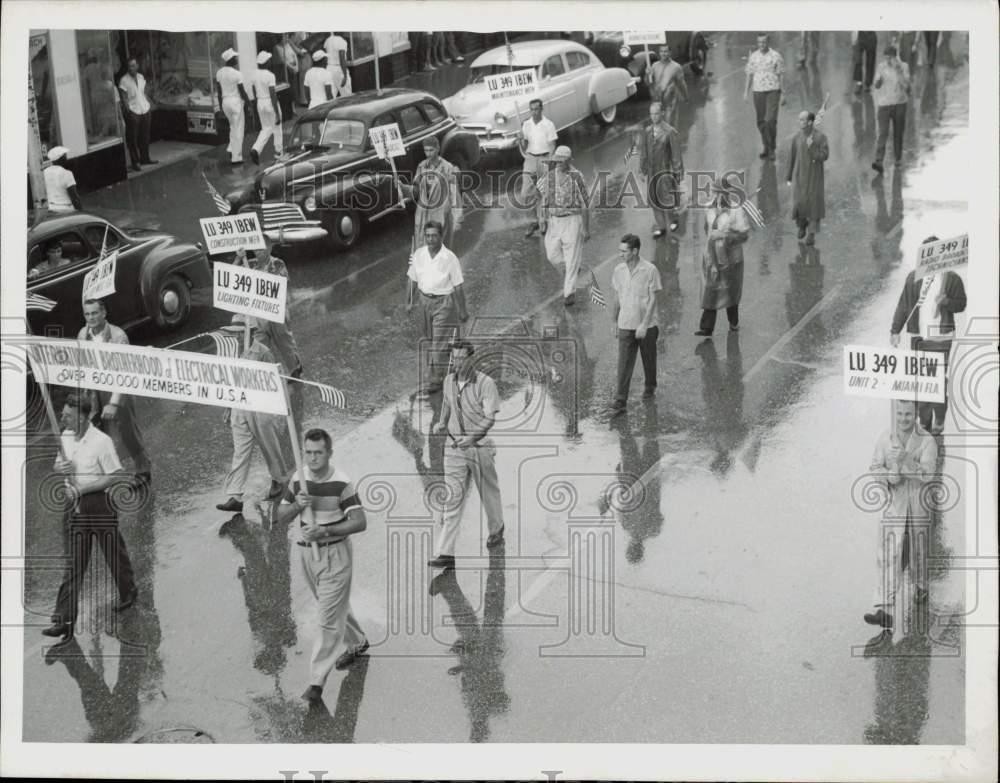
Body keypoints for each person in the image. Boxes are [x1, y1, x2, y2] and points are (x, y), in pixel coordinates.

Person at [275, 428, 369, 703]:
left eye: (318, 453)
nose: (312, 458)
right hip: (307, 554)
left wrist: (325, 531)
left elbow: (360, 522)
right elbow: (281, 516)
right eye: (308, 452)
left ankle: (316, 682)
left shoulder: (341, 483)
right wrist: (297, 505)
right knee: (333, 606)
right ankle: (358, 641)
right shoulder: (299, 479)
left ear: (329, 453)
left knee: (327, 619)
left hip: (335, 554)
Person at [41, 393, 138, 642]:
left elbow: (114, 475)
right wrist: (60, 468)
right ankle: (63, 620)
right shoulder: (65, 437)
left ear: (84, 418)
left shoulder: (101, 441)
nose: (63, 420)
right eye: (63, 415)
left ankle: (128, 591)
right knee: (74, 563)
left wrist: (83, 490)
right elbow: (58, 464)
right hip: (73, 506)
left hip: (98, 503)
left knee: (113, 552)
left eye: (69, 416)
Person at [863, 399, 937, 651]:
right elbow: (875, 466)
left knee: (916, 554)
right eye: (900, 414)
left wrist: (906, 461)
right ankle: (884, 610)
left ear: (916, 414)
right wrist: (888, 476)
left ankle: (921, 586)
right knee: (888, 556)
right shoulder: (886, 438)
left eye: (908, 414)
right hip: (895, 508)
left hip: (917, 509)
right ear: (895, 414)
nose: (904, 419)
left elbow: (928, 474)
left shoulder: (927, 441)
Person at [429, 340, 505, 568]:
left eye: (462, 358)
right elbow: (447, 403)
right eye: (455, 359)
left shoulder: (486, 383)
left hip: (479, 446)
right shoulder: (449, 381)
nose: (458, 363)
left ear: (472, 358)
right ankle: (446, 553)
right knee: (452, 497)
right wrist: (442, 422)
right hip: (454, 447)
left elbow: (490, 418)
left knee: (488, 493)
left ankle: (497, 528)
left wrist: (471, 438)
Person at [889, 236, 967, 434]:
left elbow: (961, 304)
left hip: (941, 337)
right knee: (922, 381)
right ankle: (925, 422)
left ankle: (939, 416)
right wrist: (895, 330)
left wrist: (946, 301)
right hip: (918, 337)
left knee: (936, 380)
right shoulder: (913, 278)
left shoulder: (951, 278)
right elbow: (903, 305)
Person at [216, 331, 294, 512]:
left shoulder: (263, 352)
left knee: (269, 446)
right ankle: (235, 495)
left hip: (260, 406)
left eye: (239, 332)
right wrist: (228, 406)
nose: (235, 336)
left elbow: (274, 380)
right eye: (233, 332)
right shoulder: (231, 351)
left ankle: (279, 480)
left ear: (249, 333)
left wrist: (277, 408)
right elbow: (229, 380)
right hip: (239, 404)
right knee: (240, 451)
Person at [79, 299, 152, 483]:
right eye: (87, 314)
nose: (91, 318)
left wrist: (114, 402)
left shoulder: (118, 336)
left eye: (94, 313)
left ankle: (143, 470)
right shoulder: (82, 334)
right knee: (95, 430)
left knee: (127, 431)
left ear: (104, 313)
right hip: (95, 389)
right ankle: (102, 476)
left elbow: (125, 372)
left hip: (117, 388)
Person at [406, 221, 469, 397]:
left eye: (434, 235)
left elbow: (458, 286)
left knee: (438, 343)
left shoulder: (450, 258)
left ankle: (436, 379)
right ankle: (453, 361)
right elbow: (412, 279)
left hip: (444, 303)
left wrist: (462, 310)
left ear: (441, 236)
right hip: (424, 302)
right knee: (429, 339)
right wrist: (408, 301)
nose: (430, 239)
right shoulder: (419, 255)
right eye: (427, 236)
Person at [611, 234, 662, 412]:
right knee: (624, 363)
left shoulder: (650, 270)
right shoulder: (618, 270)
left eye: (624, 251)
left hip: (647, 326)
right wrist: (614, 321)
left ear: (635, 251)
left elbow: (653, 299)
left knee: (649, 360)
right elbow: (617, 297)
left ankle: (650, 386)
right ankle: (620, 400)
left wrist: (644, 324)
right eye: (620, 250)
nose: (620, 254)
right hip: (625, 323)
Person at [536, 145, 591, 306]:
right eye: (556, 160)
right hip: (554, 221)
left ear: (568, 160)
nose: (558, 163)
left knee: (572, 257)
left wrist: (586, 228)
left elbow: (585, 204)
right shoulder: (549, 176)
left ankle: (569, 293)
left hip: (572, 220)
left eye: (561, 160)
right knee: (552, 256)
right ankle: (572, 269)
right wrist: (541, 217)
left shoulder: (577, 177)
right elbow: (541, 196)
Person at [696, 177, 750, 337]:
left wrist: (725, 236)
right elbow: (706, 228)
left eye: (719, 192)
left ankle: (733, 322)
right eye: (715, 192)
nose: (716, 195)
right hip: (712, 255)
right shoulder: (708, 208)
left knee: (730, 290)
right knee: (710, 288)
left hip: (731, 257)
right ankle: (707, 327)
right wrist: (712, 243)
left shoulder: (736, 211)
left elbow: (744, 235)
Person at [636, 101, 683, 238]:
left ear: (662, 113)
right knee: (654, 199)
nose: (654, 117)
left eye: (656, 113)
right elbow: (644, 152)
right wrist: (642, 170)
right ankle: (661, 226)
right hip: (652, 171)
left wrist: (678, 172)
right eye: (651, 114)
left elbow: (676, 155)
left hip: (665, 170)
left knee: (667, 198)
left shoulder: (670, 132)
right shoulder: (647, 131)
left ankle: (673, 220)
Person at [786, 110, 829, 245]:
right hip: (800, 176)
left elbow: (824, 156)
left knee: (814, 204)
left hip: (815, 177)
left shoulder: (820, 137)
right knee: (799, 202)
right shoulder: (796, 137)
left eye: (802, 120)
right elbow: (792, 157)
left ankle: (811, 233)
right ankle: (802, 224)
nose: (799, 122)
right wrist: (789, 176)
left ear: (810, 122)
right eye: (799, 119)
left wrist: (813, 148)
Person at [412, 137, 463, 250]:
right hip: (423, 215)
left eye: (431, 150)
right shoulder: (421, 166)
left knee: (440, 250)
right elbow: (416, 189)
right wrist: (402, 187)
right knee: (423, 250)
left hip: (441, 214)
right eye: (426, 150)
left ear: (438, 149)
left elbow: (455, 194)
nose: (428, 154)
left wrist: (458, 217)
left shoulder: (448, 168)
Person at [518, 99, 558, 239]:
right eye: (532, 109)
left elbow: (552, 145)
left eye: (536, 109)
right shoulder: (527, 125)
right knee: (526, 193)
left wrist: (550, 161)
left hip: (544, 157)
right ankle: (534, 220)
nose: (534, 112)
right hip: (530, 158)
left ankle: (542, 221)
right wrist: (521, 139)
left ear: (541, 109)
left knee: (543, 192)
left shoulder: (548, 124)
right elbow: (524, 146)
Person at [743, 33, 785, 161]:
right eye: (759, 42)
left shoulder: (776, 56)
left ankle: (772, 148)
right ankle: (766, 146)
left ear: (768, 42)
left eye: (764, 42)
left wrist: (783, 93)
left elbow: (781, 75)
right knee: (761, 121)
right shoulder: (753, 56)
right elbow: (749, 74)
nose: (761, 45)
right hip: (758, 91)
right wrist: (745, 92)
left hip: (773, 90)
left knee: (770, 120)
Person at [871, 45, 911, 175]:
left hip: (900, 104)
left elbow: (907, 87)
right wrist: (878, 81)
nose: (887, 61)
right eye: (886, 58)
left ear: (895, 57)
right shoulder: (881, 67)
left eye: (890, 58)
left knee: (898, 133)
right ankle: (878, 161)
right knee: (882, 133)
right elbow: (876, 85)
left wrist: (898, 71)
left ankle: (898, 159)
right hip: (884, 105)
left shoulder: (904, 66)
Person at [118, 58, 157, 172]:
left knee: (145, 136)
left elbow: (144, 92)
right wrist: (128, 111)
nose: (132, 68)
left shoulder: (140, 77)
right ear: (127, 67)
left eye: (134, 65)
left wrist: (149, 103)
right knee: (133, 138)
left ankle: (145, 158)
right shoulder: (124, 80)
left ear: (137, 66)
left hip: (144, 109)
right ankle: (135, 162)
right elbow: (123, 97)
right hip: (133, 111)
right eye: (130, 66)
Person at [215, 48, 250, 165]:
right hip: (235, 102)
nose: (236, 59)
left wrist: (221, 107)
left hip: (225, 102)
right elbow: (242, 91)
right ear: (230, 60)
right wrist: (249, 104)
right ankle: (236, 157)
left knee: (233, 127)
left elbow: (219, 92)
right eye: (235, 58)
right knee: (239, 129)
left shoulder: (219, 73)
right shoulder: (237, 74)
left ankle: (231, 148)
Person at [251, 51, 283, 165]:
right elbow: (273, 94)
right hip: (269, 102)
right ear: (265, 62)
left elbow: (253, 90)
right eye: (269, 60)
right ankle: (279, 152)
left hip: (260, 101)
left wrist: (256, 104)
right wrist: (277, 113)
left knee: (265, 128)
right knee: (277, 128)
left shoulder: (254, 74)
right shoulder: (270, 75)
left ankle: (256, 148)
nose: (270, 61)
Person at [646, 43, 688, 126]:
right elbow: (648, 83)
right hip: (657, 99)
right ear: (659, 53)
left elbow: (681, 83)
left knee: (669, 123)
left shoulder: (676, 67)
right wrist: (647, 75)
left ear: (670, 52)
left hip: (670, 99)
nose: (663, 54)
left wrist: (685, 96)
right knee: (658, 124)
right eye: (661, 51)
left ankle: (671, 132)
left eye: (665, 51)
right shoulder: (654, 66)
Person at [43, 146, 82, 213]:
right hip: (66, 209)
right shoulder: (67, 173)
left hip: (51, 208)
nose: (66, 158)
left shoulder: (44, 172)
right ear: (61, 159)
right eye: (64, 156)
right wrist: (81, 211)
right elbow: (74, 197)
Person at [324, 32, 351, 97]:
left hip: (329, 68)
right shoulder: (342, 41)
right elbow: (342, 57)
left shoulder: (328, 40)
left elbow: (326, 54)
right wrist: (345, 75)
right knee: (346, 95)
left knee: (332, 95)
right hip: (339, 69)